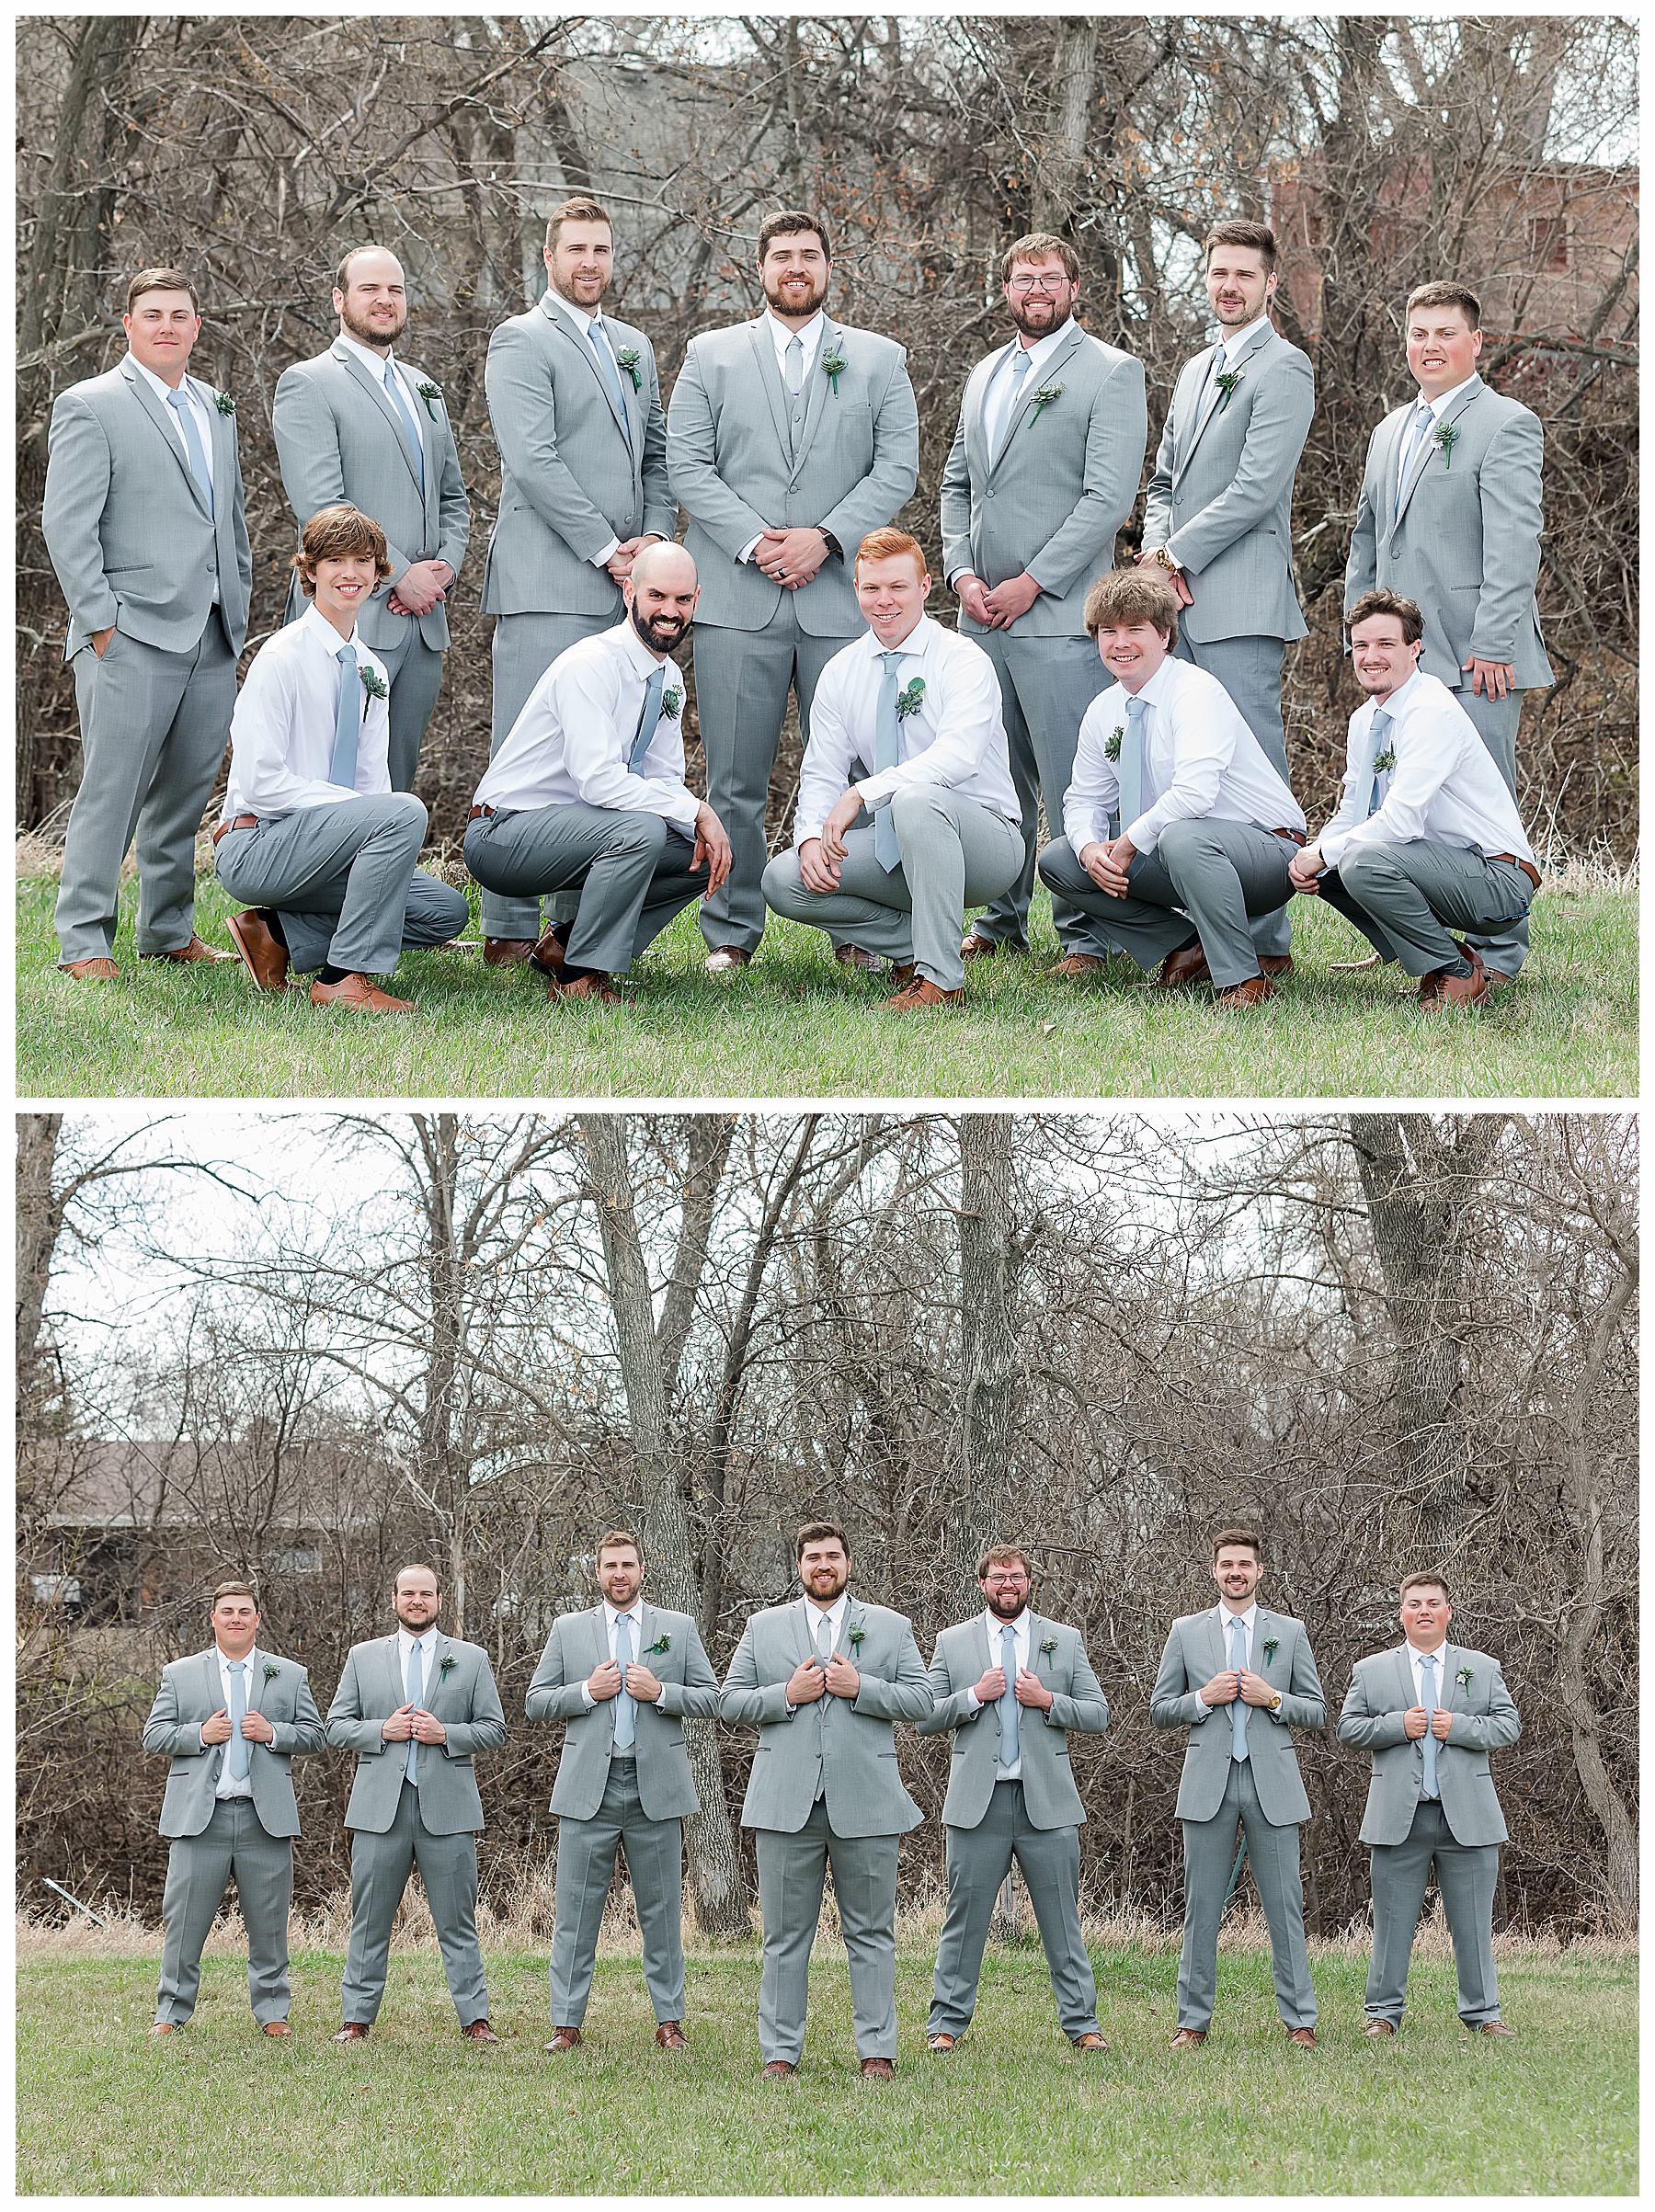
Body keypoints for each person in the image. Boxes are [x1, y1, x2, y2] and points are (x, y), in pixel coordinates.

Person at [668, 208, 919, 974]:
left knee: (856, 775)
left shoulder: (879, 360)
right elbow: (687, 464)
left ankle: (857, 928)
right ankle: (731, 934)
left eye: (809, 255)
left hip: (844, 601)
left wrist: (826, 538)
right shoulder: (709, 356)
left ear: (830, 267)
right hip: (738, 602)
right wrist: (755, 542)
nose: (796, 268)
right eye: (782, 256)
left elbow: (896, 469)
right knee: (735, 780)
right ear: (761, 268)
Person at [940, 231, 1146, 971]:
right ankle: (1000, 922)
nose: (1037, 291)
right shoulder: (984, 374)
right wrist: (962, 577)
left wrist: (1032, 583)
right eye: (1024, 279)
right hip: (979, 614)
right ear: (1005, 289)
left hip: (1056, 614)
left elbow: (1107, 498)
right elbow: (959, 486)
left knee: (1072, 782)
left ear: (1074, 288)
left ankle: (1089, 936)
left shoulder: (1112, 373)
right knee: (993, 776)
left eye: (1051, 279)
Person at [478, 196, 675, 963]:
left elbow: (656, 452)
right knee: (527, 755)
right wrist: (606, 547)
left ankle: (570, 929)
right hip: (548, 578)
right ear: (550, 259)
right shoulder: (521, 339)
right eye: (576, 250)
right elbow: (531, 457)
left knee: (605, 757)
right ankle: (505, 929)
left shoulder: (634, 343)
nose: (590, 262)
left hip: (624, 583)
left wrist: (653, 544)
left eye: (602, 249)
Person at [41, 266, 250, 979]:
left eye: (180, 314)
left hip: (212, 633)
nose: (167, 325)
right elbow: (67, 527)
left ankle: (166, 930)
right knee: (113, 788)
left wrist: (237, 608)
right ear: (127, 324)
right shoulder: (90, 404)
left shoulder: (218, 407)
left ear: (198, 326)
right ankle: (84, 941)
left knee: (187, 790)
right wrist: (101, 623)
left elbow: (230, 520)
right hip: (128, 633)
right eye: (152, 313)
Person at [1343, 279, 1551, 982]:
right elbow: (1369, 536)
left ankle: (1499, 955)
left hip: (1474, 653)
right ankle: (1415, 935)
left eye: (1445, 333)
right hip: (1401, 655)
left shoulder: (1506, 423)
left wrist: (1492, 642)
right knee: (1401, 800)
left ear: (1476, 343)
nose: (1430, 346)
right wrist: (1359, 631)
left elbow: (1515, 543)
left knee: (1481, 802)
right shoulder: (1388, 430)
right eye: (1419, 333)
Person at [1139, 218, 1314, 975]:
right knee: (1186, 767)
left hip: (1239, 597)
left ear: (1270, 283)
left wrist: (1177, 554)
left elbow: (1255, 489)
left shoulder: (1286, 368)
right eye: (1218, 273)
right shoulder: (1192, 369)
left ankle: (1268, 945)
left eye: (1245, 274)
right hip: (1171, 598)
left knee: (1254, 770)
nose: (1230, 286)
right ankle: (1210, 932)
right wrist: (1152, 556)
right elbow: (1164, 479)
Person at [214, 504, 469, 1013]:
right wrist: (352, 815)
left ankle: (274, 934)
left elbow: (372, 784)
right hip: (259, 846)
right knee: (403, 810)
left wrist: (361, 826)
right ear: (310, 571)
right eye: (335, 561)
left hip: (329, 847)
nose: (349, 574)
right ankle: (343, 978)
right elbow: (262, 783)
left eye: (362, 561)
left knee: (444, 911)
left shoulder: (370, 669)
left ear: (379, 574)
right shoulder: (282, 657)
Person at [760, 530, 1023, 1008]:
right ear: (856, 590)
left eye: (898, 587)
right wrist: (809, 839)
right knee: (784, 880)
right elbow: (821, 770)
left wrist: (863, 794)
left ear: (924, 587)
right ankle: (909, 947)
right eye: (871, 588)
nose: (885, 601)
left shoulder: (963, 660)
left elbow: (958, 757)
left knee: (916, 799)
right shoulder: (842, 671)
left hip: (983, 844)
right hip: (895, 846)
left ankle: (942, 982)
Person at [462, 542, 733, 1003]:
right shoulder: (591, 663)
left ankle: (564, 946)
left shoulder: (668, 680)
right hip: (504, 834)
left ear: (696, 600)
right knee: (643, 830)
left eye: (682, 600)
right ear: (629, 591)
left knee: (705, 850)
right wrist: (696, 808)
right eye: (657, 597)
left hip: (578, 834)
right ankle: (580, 980)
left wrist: (696, 822)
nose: (670, 611)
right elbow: (598, 780)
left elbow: (663, 779)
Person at [719, 1522, 932, 2079]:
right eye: (813, 1557)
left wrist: (862, 1688)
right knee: (785, 1937)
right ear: (798, 1566)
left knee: (871, 1932)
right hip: (786, 1803)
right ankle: (781, 2054)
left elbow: (924, 1701)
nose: (823, 1566)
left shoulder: (889, 1627)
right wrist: (785, 1694)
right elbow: (728, 1702)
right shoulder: (763, 1628)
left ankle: (877, 2053)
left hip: (867, 1801)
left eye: (833, 1556)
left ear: (848, 1563)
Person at [1036, 570, 1305, 1008]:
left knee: (1183, 834)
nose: (1121, 643)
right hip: (1179, 854)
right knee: (1060, 860)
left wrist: (1125, 844)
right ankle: (1184, 946)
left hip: (1266, 856)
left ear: (1164, 635)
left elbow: (1195, 796)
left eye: (1135, 630)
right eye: (1109, 631)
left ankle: (1244, 980)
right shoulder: (1104, 709)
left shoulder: (1195, 692)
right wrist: (1090, 850)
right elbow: (1083, 799)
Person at [272, 245, 471, 792]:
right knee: (331, 781)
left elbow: (454, 496)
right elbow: (323, 505)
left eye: (396, 290)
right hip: (350, 615)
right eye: (370, 289)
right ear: (339, 300)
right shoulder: (308, 383)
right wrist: (400, 572)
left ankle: (387, 881)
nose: (385, 300)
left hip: (423, 621)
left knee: (395, 784)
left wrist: (442, 571)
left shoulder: (423, 388)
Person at [1288, 590, 1539, 1009]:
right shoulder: (1365, 719)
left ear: (1415, 649)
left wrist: (1327, 852)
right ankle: (1445, 963)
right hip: (1437, 869)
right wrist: (1313, 853)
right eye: (1361, 645)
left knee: (1357, 860)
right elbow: (1353, 809)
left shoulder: (1430, 711)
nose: (1371, 656)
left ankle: (1458, 976)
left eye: (1386, 644)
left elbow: (1400, 822)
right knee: (1330, 865)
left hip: (1497, 881)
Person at [525, 1529, 722, 2052]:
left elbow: (712, 1698)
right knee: (576, 1909)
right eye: (610, 1566)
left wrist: (662, 1693)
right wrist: (587, 1691)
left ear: (643, 1570)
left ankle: (670, 2021)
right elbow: (536, 1701)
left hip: (655, 1785)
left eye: (628, 1565)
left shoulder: (676, 1629)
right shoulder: (568, 1630)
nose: (619, 1575)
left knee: (661, 1909)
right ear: (597, 1573)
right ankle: (566, 2023)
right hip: (591, 1787)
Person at [919, 1545, 1109, 2052]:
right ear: (982, 1583)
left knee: (1062, 1918)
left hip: (1045, 1803)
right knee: (964, 1917)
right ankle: (946, 2025)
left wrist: (1048, 1701)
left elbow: (1098, 1713)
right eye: (998, 1576)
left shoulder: (1064, 1642)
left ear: (1031, 1584)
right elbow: (924, 1714)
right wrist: (973, 1696)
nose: (1008, 1584)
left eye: (1017, 1576)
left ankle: (1082, 2025)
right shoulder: (951, 1643)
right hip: (977, 1806)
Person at [1150, 1529, 1325, 2049]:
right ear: (1213, 1571)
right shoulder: (1186, 1632)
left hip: (1272, 1783)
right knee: (1202, 1906)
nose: (1236, 1572)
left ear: (1260, 1572)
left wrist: (1274, 1699)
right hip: (1209, 1785)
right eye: (1227, 1564)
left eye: (1244, 1564)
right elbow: (1160, 1711)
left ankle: (1300, 2021)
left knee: (1284, 1904)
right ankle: (1191, 2022)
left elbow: (1315, 1712)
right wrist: (1201, 1699)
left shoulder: (1289, 1632)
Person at [325, 1563, 508, 2043]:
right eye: (408, 1593)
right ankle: (356, 2019)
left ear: (439, 1601)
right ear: (393, 1600)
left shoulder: (470, 1659)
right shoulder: (362, 1657)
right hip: (379, 1809)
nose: (417, 1601)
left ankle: (475, 2018)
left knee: (457, 1919)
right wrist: (378, 1730)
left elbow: (495, 1728)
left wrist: (446, 1734)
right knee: (369, 1917)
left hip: (446, 1808)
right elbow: (335, 1726)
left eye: (426, 1594)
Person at [1338, 1570, 1521, 2037]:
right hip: (1400, 1816)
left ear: (1448, 1612)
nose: (1424, 1611)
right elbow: (1349, 1729)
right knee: (1393, 1922)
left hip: (1469, 1815)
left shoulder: (1482, 1667)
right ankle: (1382, 2015)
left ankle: (1483, 2015)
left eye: (1433, 1603)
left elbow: (1507, 1726)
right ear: (1402, 1613)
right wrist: (1399, 1725)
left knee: (1474, 1923)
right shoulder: (1370, 1670)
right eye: (1415, 1603)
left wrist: (1456, 1727)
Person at [142, 1580, 325, 2036]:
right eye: (227, 1611)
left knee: (269, 1920)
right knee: (184, 1920)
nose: (236, 1618)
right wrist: (199, 1735)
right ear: (213, 1618)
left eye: (245, 1611)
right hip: (200, 1818)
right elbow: (154, 1735)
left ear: (258, 1619)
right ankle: (171, 2012)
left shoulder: (289, 1673)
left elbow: (316, 1735)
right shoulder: (180, 1674)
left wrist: (275, 1732)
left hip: (266, 1817)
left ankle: (272, 2012)